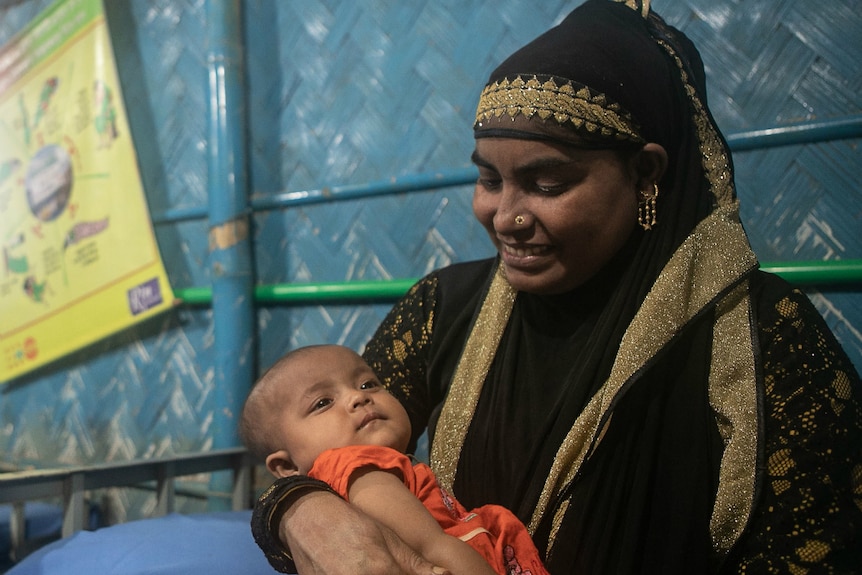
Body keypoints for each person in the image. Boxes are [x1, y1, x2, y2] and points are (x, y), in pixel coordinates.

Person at [251, 0, 862, 573]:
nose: (505, 216)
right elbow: (309, 453)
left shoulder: (762, 336)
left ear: (645, 173)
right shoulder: (443, 310)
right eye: (489, 179)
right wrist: (300, 513)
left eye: (547, 184)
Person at [240, 344, 550, 575]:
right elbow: (431, 548)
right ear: (286, 467)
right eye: (323, 402)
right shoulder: (361, 467)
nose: (358, 397)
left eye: (367, 384)